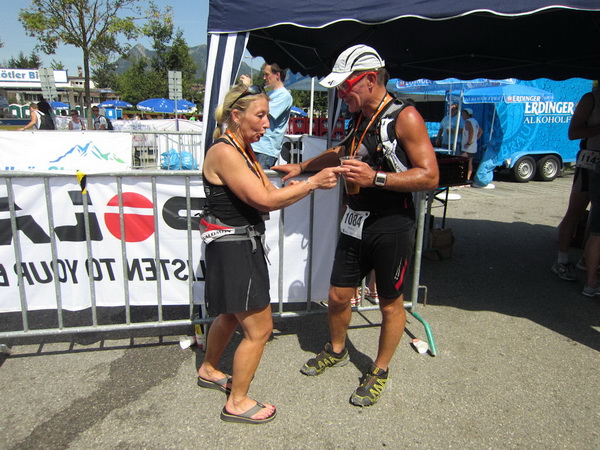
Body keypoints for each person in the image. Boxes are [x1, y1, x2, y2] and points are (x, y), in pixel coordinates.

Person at [272, 44, 439, 406]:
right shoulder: (361, 115)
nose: (340, 93)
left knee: (390, 303)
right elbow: (343, 151)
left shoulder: (405, 116)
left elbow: (429, 176)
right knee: (337, 295)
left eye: (345, 85)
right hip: (355, 221)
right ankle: (337, 349)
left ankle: (379, 369)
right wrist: (302, 167)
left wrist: (375, 178)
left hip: (391, 224)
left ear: (370, 80)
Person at [198, 83, 344, 424]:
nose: (267, 123)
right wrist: (311, 184)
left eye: (268, 115)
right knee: (260, 330)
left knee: (230, 315)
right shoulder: (226, 152)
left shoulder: (243, 148)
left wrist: (292, 188)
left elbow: (266, 192)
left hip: (237, 243)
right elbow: (264, 201)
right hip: (233, 247)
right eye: (260, 115)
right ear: (236, 116)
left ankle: (208, 368)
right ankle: (237, 402)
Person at [551, 89, 599, 283]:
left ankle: (587, 259)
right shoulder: (591, 98)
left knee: (596, 216)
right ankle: (561, 260)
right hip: (590, 162)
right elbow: (573, 133)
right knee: (576, 212)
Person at [240, 63, 293, 169]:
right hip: (256, 146)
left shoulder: (284, 96)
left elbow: (258, 112)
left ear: (277, 75)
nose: (264, 77)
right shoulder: (269, 95)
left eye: (267, 74)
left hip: (264, 150)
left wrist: (247, 88)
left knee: (255, 179)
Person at [460, 108, 483, 181]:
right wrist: (475, 139)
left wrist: (469, 143)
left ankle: (462, 178)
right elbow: (480, 131)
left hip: (467, 147)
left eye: (463, 114)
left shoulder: (468, 122)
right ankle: (467, 178)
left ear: (467, 115)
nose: (462, 116)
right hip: (473, 146)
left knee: (462, 162)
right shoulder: (475, 121)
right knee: (470, 162)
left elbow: (471, 132)